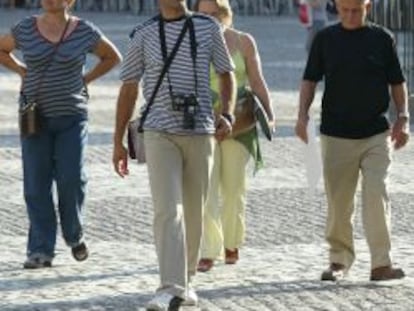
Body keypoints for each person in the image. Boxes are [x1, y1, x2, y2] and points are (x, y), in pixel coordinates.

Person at [112, 0, 235, 309]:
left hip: (201, 130)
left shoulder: (208, 28)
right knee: (168, 209)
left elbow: (226, 73)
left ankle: (187, 281)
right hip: (158, 132)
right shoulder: (143, 33)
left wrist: (228, 114)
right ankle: (169, 286)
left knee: (195, 211)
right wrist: (118, 142)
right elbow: (128, 88)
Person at [0, 0, 121, 269]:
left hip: (72, 117)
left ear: (70, 1)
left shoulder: (84, 30)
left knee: (72, 178)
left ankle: (74, 235)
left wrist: (86, 79)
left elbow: (113, 57)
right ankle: (40, 250)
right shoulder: (25, 28)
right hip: (34, 117)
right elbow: (2, 49)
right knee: (36, 183)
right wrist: (21, 70)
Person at [295, 0, 409, 281]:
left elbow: (397, 81)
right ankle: (339, 261)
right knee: (339, 201)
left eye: (356, 10)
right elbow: (310, 80)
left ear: (367, 7)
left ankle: (381, 263)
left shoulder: (382, 39)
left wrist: (403, 118)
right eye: (345, 10)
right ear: (337, 7)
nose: (350, 15)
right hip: (336, 134)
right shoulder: (325, 39)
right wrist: (301, 116)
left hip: (376, 133)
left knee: (376, 193)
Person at [194, 0, 275, 273]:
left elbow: (257, 79)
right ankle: (208, 249)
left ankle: (232, 242)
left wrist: (270, 113)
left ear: (225, 13)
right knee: (206, 188)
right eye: (202, 14)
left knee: (234, 188)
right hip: (204, 123)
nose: (208, 19)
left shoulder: (243, 41)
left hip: (239, 123)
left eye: (214, 13)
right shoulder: (192, 42)